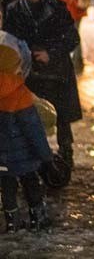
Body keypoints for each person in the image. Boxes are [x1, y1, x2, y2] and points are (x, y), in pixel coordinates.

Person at [3, 0, 82, 169]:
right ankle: (33, 154)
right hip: (27, 72)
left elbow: (72, 38)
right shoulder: (14, 10)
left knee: (61, 114)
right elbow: (9, 40)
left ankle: (66, 151)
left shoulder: (57, 7)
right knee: (28, 113)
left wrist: (50, 53)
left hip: (56, 70)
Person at [0, 12, 54, 232]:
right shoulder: (20, 94)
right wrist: (46, 156)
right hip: (25, 158)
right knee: (31, 184)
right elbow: (33, 129)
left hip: (1, 157)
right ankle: (36, 216)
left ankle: (11, 221)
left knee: (7, 187)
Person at [57, 0, 89, 73]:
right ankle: (76, 62)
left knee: (74, 37)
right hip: (70, 11)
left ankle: (78, 63)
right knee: (73, 36)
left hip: (74, 11)